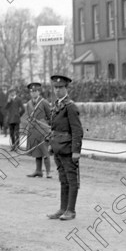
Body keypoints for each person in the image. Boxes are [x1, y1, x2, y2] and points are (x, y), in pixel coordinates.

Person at [46, 75, 84, 221]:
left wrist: (76, 151)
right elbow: (54, 128)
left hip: (68, 149)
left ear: (66, 88)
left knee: (71, 179)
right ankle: (63, 208)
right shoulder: (56, 105)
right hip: (58, 148)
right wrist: (51, 144)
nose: (57, 90)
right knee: (63, 179)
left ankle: (71, 210)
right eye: (55, 87)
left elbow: (77, 130)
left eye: (60, 87)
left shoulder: (70, 106)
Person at [25, 82, 53, 178]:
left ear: (39, 92)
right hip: (33, 130)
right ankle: (38, 171)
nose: (33, 93)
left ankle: (48, 172)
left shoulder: (44, 102)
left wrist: (50, 129)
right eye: (31, 91)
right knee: (36, 150)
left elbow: (50, 116)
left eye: (35, 91)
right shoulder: (28, 103)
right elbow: (28, 116)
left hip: (43, 130)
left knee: (45, 151)